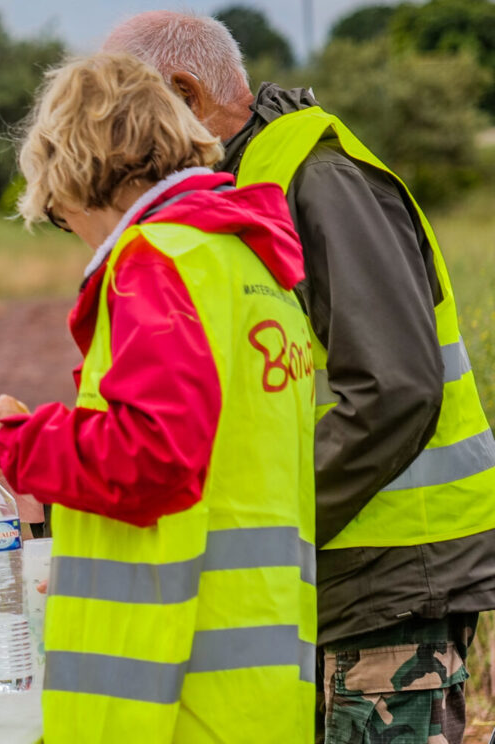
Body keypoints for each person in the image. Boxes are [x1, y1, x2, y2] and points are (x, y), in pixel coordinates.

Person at [105, 12, 495, 742]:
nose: (120, 148)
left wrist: (265, 528)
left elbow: (395, 390)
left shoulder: (317, 178)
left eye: (125, 117)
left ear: (185, 94)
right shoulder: (249, 184)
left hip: (389, 583)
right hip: (341, 580)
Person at [0, 53, 316, 742]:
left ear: (77, 174)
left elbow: (153, 456)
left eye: (57, 212)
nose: (69, 228)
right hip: (258, 681)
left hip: (169, 688)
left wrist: (19, 443)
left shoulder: (156, 260)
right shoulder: (245, 263)